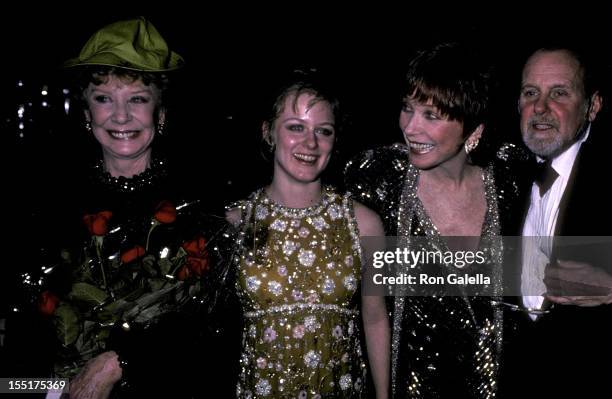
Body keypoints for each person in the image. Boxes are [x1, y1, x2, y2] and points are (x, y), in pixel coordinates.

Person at [5, 17, 237, 398]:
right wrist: (35, 389)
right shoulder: (46, 207)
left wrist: (120, 360)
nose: (121, 115)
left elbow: (217, 327)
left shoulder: (200, 207)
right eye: (103, 99)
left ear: (160, 114)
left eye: (137, 99)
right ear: (86, 114)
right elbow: (22, 341)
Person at [345, 42, 528, 398]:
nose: (410, 128)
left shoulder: (511, 180)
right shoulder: (380, 178)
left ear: (472, 131)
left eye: (431, 115)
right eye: (407, 109)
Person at [224, 70, 389, 398]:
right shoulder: (234, 222)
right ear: (268, 133)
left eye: (323, 131)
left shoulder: (366, 224)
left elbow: (375, 320)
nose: (310, 143)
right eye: (295, 127)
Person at [505, 45, 612, 397]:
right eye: (530, 92)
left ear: (592, 106)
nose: (540, 107)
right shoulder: (504, 179)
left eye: (559, 93)